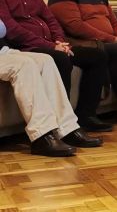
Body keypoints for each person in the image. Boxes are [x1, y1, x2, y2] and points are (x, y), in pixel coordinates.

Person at [0, 0, 112, 132]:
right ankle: (61, 124)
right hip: (26, 47)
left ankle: (86, 115)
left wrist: (60, 41)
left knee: (97, 56)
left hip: (51, 44)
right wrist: (51, 46)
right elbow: (11, 29)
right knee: (60, 58)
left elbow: (49, 18)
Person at [0, 18, 103, 157]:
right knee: (24, 65)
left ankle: (67, 128)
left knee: (46, 60)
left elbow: (2, 29)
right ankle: (41, 136)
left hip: (3, 51)